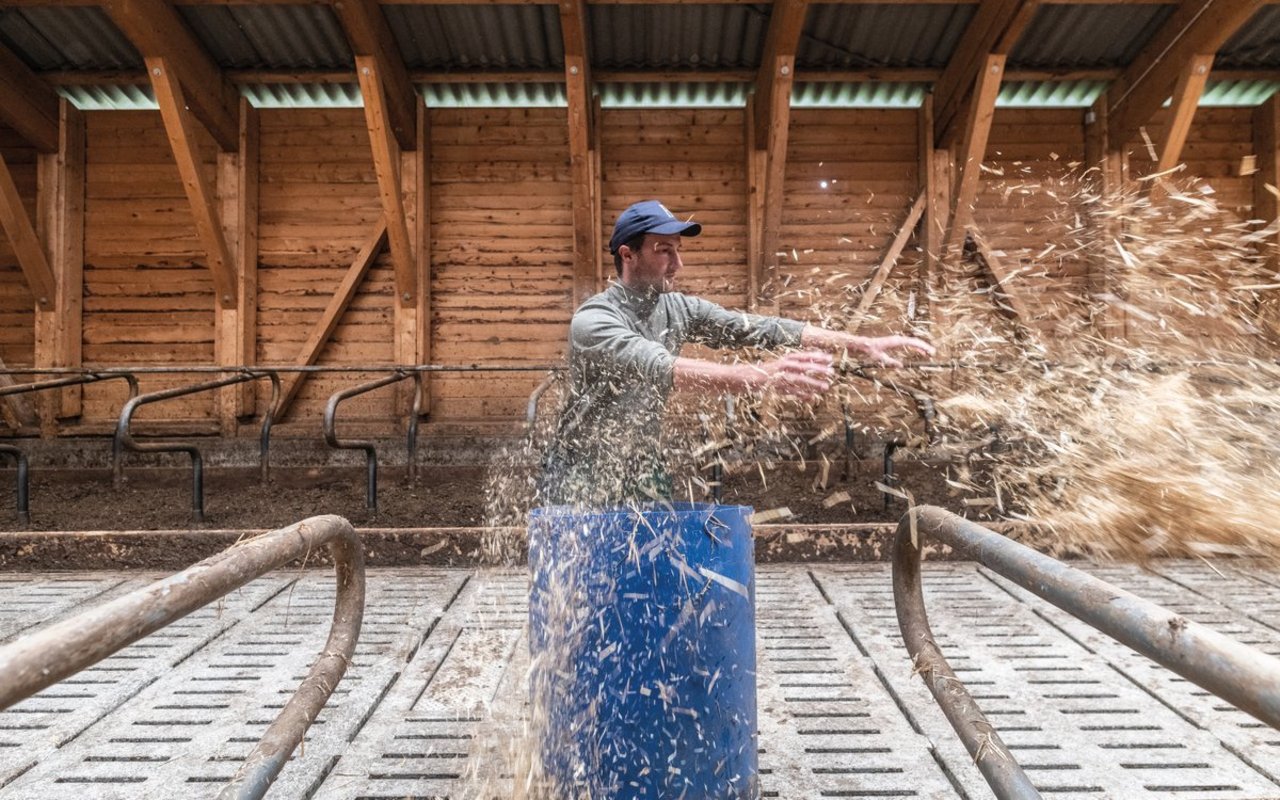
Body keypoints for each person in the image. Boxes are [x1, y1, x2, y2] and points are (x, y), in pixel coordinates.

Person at [538, 199, 935, 508]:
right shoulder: (593, 320)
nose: (678, 263)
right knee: (583, 579)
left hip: (642, 463)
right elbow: (662, 367)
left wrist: (861, 343)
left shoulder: (678, 308)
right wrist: (762, 377)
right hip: (583, 465)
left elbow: (759, 328)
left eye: (677, 250)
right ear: (627, 255)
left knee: (648, 572)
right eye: (664, 251)